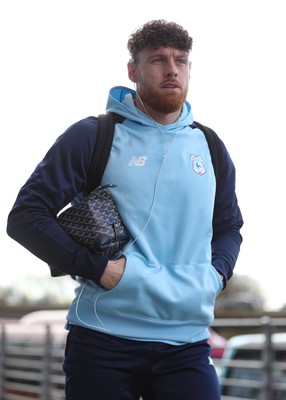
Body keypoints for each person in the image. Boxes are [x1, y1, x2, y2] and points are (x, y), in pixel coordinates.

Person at [7, 19, 243, 400]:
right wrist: (98, 268)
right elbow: (25, 217)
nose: (171, 70)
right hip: (104, 339)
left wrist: (216, 274)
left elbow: (229, 226)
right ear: (133, 70)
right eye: (158, 60)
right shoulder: (94, 135)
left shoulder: (210, 146)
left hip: (187, 342)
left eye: (181, 61)